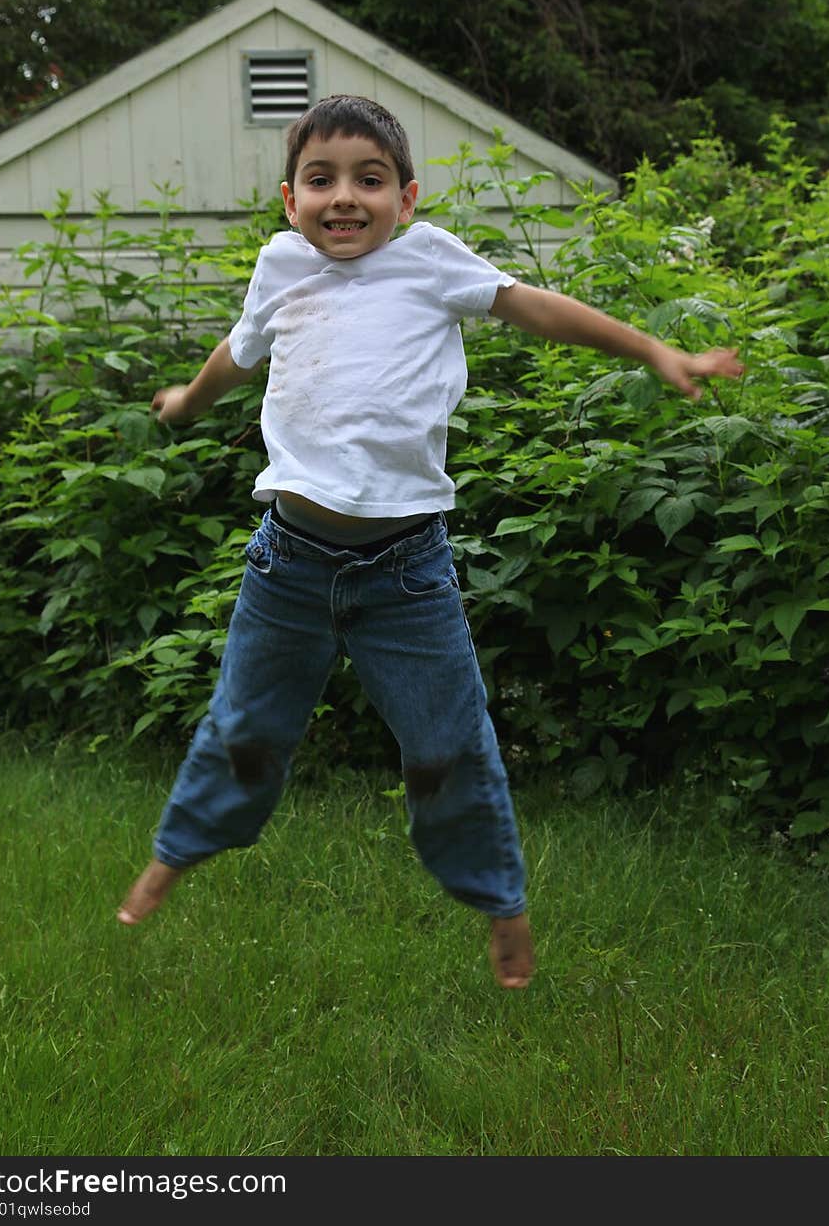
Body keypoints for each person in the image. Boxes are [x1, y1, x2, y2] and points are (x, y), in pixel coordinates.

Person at [117, 95, 743, 988]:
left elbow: (538, 309)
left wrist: (652, 350)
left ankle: (501, 907)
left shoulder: (429, 262)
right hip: (286, 564)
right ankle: (173, 857)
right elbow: (237, 352)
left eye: (369, 180)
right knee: (245, 728)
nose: (345, 197)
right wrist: (187, 398)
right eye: (321, 179)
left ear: (406, 199)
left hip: (406, 574)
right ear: (289, 201)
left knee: (450, 745)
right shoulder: (280, 267)